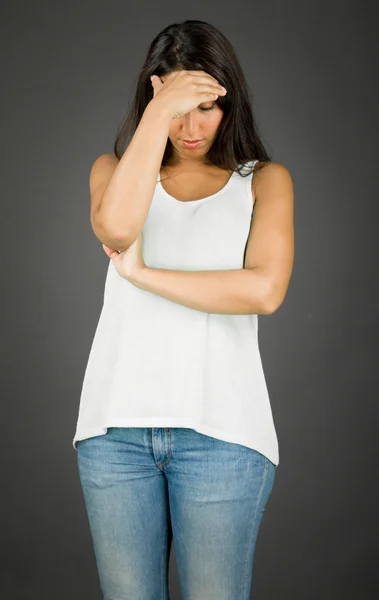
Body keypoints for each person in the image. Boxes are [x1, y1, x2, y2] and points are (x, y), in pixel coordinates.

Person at [73, 18, 294, 600]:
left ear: (230, 103)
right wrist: (157, 110)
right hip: (114, 431)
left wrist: (142, 274)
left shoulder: (263, 182)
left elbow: (263, 290)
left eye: (206, 107)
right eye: (176, 107)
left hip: (223, 432)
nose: (190, 128)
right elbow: (118, 225)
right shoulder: (111, 172)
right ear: (154, 96)